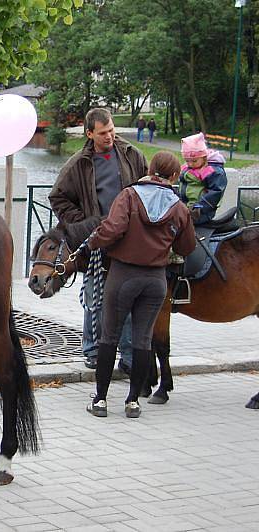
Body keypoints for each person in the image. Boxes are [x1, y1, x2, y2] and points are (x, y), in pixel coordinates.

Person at [86, 152, 197, 418]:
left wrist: (93, 241)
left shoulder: (129, 196)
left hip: (123, 275)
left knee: (109, 336)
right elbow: (187, 246)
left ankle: (100, 400)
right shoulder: (179, 207)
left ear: (150, 169)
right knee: (143, 340)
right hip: (155, 280)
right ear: (173, 176)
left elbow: (112, 229)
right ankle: (133, 401)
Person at [49, 108, 147, 372]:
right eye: (103, 133)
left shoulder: (131, 154)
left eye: (112, 130)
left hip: (128, 239)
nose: (109, 136)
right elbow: (57, 197)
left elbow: (146, 186)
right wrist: (84, 223)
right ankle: (92, 350)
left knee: (127, 298)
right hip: (97, 240)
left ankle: (127, 357)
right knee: (94, 296)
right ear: (90, 133)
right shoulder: (78, 163)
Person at [178, 132, 227, 226]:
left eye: (194, 161)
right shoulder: (188, 169)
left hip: (201, 211)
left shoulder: (212, 171)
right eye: (187, 161)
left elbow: (216, 192)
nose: (190, 164)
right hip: (186, 207)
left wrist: (199, 207)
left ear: (204, 157)